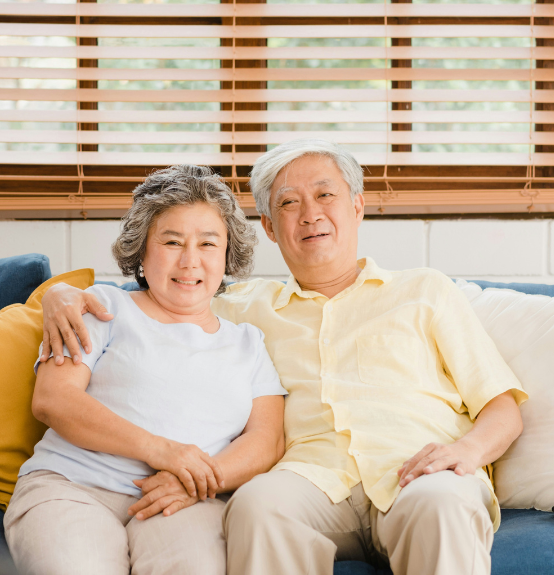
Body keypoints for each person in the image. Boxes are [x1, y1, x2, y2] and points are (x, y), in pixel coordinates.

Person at [41, 140, 527, 575]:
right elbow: (158, 293)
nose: (310, 214)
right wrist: (59, 293)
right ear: (271, 228)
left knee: (442, 504)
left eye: (325, 195)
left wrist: (466, 454)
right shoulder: (240, 309)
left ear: (358, 206)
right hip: (310, 481)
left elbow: (501, 407)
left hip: (418, 471)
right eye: (289, 204)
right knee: (257, 506)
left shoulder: (425, 290)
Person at [4, 164, 287, 575]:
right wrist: (164, 451)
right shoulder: (100, 307)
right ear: (142, 249)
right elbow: (53, 400)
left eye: (208, 243)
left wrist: (199, 478)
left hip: (182, 499)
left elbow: (267, 439)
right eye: (172, 241)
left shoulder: (248, 343)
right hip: (72, 487)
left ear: (227, 253)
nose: (190, 261)